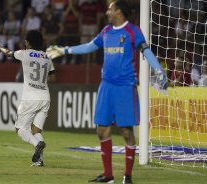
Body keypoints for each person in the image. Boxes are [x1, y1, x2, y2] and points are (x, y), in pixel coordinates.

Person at [46, 0, 168, 183]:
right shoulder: (106, 31)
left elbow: (146, 51)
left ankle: (127, 176)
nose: (107, 12)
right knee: (102, 129)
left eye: (110, 9)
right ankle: (108, 175)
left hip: (125, 87)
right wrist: (64, 50)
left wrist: (158, 69)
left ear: (119, 11)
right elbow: (89, 46)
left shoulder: (132, 31)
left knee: (126, 131)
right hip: (106, 86)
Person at [0, 30, 55, 167]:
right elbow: (53, 77)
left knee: (20, 128)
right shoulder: (47, 57)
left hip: (30, 98)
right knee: (36, 130)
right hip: (45, 97)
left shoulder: (24, 54)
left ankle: (37, 144)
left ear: (28, 42)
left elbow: (9, 53)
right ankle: (39, 160)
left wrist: (0, 49)